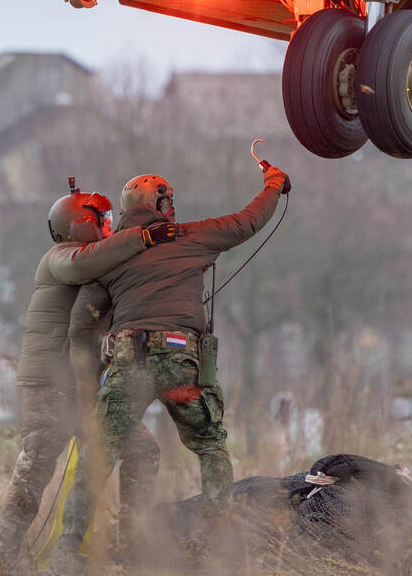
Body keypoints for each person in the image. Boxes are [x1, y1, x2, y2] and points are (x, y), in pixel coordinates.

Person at [50, 163, 290, 572]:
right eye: (168, 199)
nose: (172, 206)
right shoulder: (191, 236)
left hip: (129, 364)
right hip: (183, 362)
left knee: (99, 456)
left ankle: (69, 551)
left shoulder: (112, 252)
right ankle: (219, 545)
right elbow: (249, 221)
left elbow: (83, 323)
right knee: (210, 445)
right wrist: (272, 185)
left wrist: (86, 384)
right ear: (158, 203)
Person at [0, 183, 178, 573]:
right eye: (102, 220)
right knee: (35, 474)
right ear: (80, 226)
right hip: (50, 388)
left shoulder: (101, 265)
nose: (109, 226)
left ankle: (131, 549)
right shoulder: (60, 258)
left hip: (84, 389)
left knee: (142, 452)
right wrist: (141, 238)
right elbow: (85, 264)